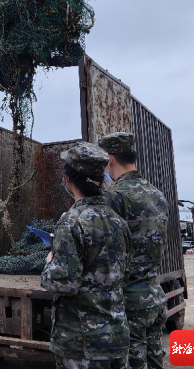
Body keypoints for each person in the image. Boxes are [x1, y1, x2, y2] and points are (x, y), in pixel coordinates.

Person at [41, 141, 133, 369]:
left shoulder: (71, 222)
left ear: (68, 179)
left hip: (82, 344)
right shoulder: (119, 222)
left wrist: (48, 264)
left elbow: (64, 282)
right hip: (117, 336)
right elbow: (125, 273)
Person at [99, 132, 169, 369]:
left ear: (110, 160)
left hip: (130, 300)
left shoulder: (116, 196)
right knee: (155, 358)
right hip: (154, 294)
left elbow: (105, 252)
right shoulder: (157, 195)